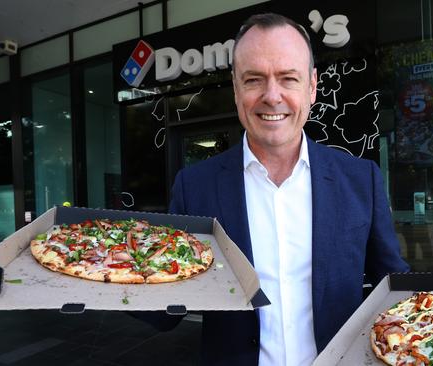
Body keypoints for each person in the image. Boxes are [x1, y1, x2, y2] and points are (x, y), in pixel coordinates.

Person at [168, 13, 409, 366]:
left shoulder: (361, 180)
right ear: (236, 89)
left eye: (288, 78)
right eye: (254, 80)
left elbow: (394, 286)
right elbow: (164, 298)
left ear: (311, 86)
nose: (272, 96)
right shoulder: (195, 186)